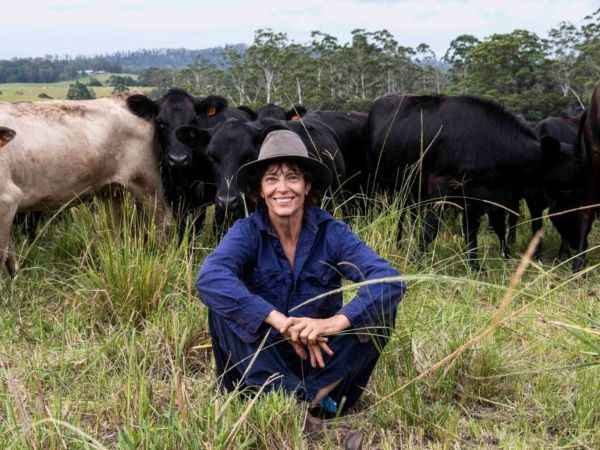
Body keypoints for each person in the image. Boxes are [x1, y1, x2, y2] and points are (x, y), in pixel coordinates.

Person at [196, 130, 406, 447]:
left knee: (379, 312)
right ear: (260, 191)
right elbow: (210, 277)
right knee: (221, 306)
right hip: (264, 359)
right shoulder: (247, 232)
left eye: (292, 177)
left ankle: (299, 403)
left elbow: (389, 279)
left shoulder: (331, 232)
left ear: (307, 186)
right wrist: (279, 323)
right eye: (272, 179)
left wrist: (332, 322)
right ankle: (303, 413)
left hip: (322, 359)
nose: (283, 188)